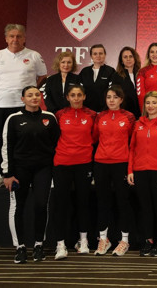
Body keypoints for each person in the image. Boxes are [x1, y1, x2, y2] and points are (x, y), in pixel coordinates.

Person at [0, 24, 47, 188]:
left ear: (24, 38)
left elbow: (42, 77)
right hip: (1, 105)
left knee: (26, 139)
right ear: (6, 38)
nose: (15, 39)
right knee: (0, 141)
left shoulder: (34, 55)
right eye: (11, 36)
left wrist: (27, 95)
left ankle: (26, 174)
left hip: (23, 106)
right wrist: (2, 91)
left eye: (19, 36)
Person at [1, 86, 59, 263]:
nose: (34, 98)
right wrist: (7, 173)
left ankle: (38, 245)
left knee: (41, 205)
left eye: (37, 95)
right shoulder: (13, 119)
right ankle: (20, 248)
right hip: (19, 170)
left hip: (43, 169)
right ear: (23, 99)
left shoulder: (49, 118)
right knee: (18, 206)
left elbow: (57, 144)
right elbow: (6, 146)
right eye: (30, 95)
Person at [52, 84, 97, 260]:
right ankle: (60, 245)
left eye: (79, 95)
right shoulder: (60, 115)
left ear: (84, 96)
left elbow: (95, 138)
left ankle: (83, 241)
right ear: (67, 97)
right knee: (61, 204)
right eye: (73, 95)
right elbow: (55, 137)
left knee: (83, 203)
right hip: (62, 163)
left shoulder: (92, 115)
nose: (76, 98)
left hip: (84, 164)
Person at [93, 86, 137, 256]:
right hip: (101, 163)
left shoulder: (129, 117)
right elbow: (95, 138)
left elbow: (133, 143)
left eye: (115, 97)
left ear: (121, 99)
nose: (111, 100)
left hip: (121, 163)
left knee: (122, 202)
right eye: (108, 97)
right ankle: (103, 239)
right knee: (102, 201)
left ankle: (124, 240)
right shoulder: (100, 116)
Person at [127, 91, 157, 257]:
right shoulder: (138, 123)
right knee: (145, 208)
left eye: (154, 103)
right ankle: (148, 239)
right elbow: (132, 148)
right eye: (148, 103)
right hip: (140, 170)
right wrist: (130, 170)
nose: (151, 106)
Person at [78, 44, 122, 113]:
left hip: (104, 111)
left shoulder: (110, 71)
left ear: (105, 55)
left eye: (100, 53)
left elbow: (113, 92)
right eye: (95, 54)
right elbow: (79, 91)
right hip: (86, 112)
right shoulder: (84, 71)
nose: (98, 56)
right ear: (91, 56)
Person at [41, 50, 81, 115]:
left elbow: (80, 97)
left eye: (69, 62)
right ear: (58, 63)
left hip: (72, 114)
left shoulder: (78, 79)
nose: (66, 65)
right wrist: (55, 111)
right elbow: (47, 97)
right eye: (63, 62)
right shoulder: (50, 79)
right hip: (53, 113)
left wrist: (70, 111)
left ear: (73, 64)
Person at [136, 42, 157, 112]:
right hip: (149, 109)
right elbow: (140, 94)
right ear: (148, 54)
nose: (154, 55)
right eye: (152, 52)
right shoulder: (142, 71)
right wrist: (144, 111)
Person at [115, 46, 141, 118]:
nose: (128, 59)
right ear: (121, 60)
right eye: (125, 57)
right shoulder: (116, 76)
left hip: (141, 113)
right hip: (124, 115)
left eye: (131, 56)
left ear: (135, 58)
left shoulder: (141, 74)